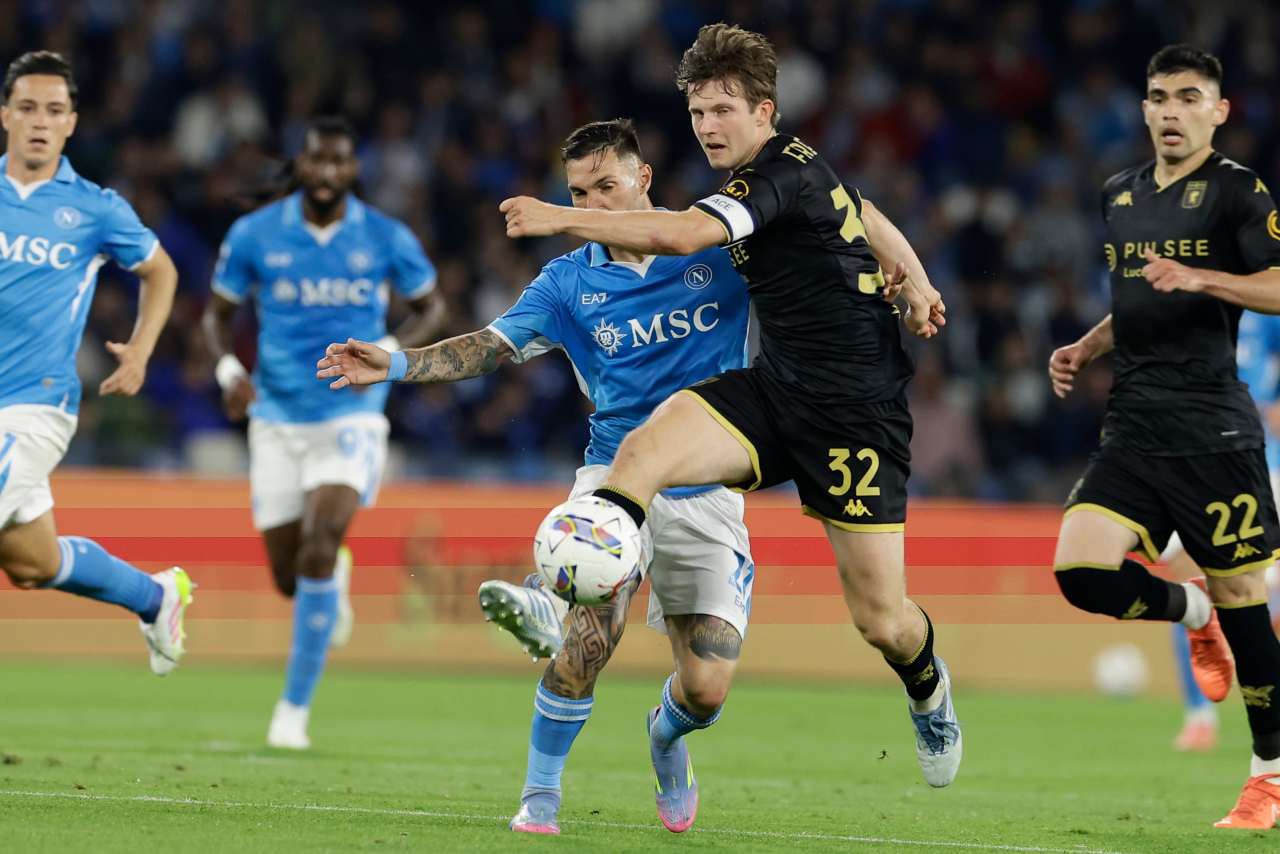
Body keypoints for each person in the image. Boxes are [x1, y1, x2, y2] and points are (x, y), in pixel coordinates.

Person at [496, 23, 960, 789]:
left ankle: (929, 690)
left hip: (854, 416)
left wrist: (560, 217)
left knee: (883, 621)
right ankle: (552, 597)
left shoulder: (772, 177)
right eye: (697, 112)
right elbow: (863, 208)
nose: (708, 126)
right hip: (774, 391)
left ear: (764, 112)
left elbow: (685, 236)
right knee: (643, 448)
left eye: (723, 111)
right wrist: (915, 278)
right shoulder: (797, 170)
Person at [1049, 44, 1280, 829]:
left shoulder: (1240, 192)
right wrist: (1089, 344)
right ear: (1144, 109)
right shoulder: (1120, 194)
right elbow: (1139, 301)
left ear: (1219, 111)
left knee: (1250, 607)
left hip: (1214, 428)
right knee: (1080, 570)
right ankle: (1190, 612)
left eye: (1188, 97)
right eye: (1159, 97)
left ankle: (1268, 777)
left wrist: (1204, 277)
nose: (1171, 110)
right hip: (1134, 423)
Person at [202, 116, 444, 750]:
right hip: (276, 417)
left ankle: (292, 711)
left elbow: (432, 307)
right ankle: (331, 580)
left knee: (318, 541)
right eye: (318, 161)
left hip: (350, 412)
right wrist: (229, 370)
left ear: (353, 168)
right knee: (291, 577)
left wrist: (388, 353)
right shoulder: (255, 234)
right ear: (302, 165)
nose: (328, 172)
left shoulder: (384, 236)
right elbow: (216, 315)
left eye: (340, 161)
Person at [0, 50, 190, 674]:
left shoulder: (95, 208)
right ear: (5, 114)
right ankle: (155, 597)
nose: (40, 120)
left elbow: (160, 272)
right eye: (28, 107)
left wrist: (141, 347)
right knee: (33, 563)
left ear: (71, 123)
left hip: (34, 406)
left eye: (54, 110)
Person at [1164, 309, 1280, 753]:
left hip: (1259, 458)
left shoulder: (1262, 298)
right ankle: (1199, 716)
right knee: (1189, 581)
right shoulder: (1188, 291)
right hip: (1195, 454)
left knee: (1255, 591)